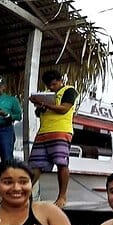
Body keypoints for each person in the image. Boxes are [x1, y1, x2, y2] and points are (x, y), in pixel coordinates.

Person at [28, 70, 79, 208]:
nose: (51, 87)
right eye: (49, 85)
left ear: (61, 80)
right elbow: (38, 113)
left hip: (61, 131)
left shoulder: (69, 91)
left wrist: (44, 104)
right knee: (35, 165)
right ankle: (25, 193)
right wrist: (39, 105)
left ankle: (62, 196)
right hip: (43, 132)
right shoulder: (47, 95)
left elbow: (64, 109)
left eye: (54, 84)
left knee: (61, 163)